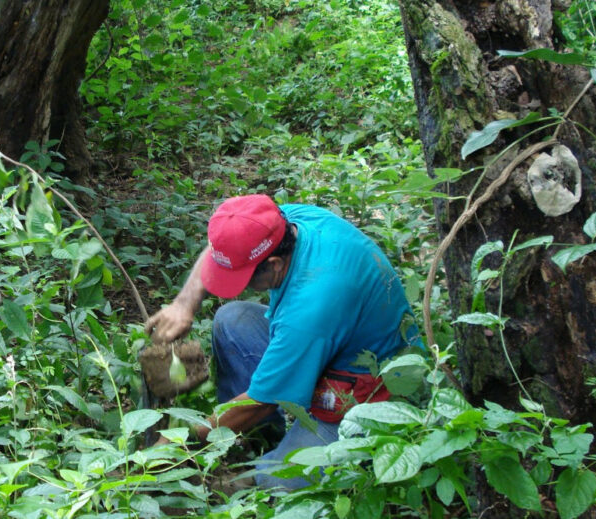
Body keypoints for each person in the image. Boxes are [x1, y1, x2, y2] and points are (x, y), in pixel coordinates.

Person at [144, 194, 418, 489]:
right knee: (233, 320)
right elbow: (221, 247)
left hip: (370, 386)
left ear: (274, 265)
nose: (234, 288)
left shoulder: (310, 308)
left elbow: (260, 402)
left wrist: (178, 443)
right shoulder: (284, 223)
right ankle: (251, 437)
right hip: (330, 340)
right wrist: (184, 304)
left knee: (276, 480)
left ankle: (253, 464)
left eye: (243, 279)